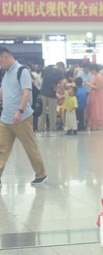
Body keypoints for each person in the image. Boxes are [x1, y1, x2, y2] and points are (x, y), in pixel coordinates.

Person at [0, 46, 47, 185]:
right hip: (5, 118)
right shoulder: (7, 73)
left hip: (21, 118)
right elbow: (3, 90)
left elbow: (27, 92)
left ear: (6, 56)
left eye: (0, 61)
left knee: (30, 147)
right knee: (2, 148)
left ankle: (41, 174)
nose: (0, 64)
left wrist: (20, 111)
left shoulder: (22, 71)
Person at [85, 64, 103, 130]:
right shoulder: (95, 76)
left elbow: (97, 87)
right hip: (93, 94)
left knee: (96, 109)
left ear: (94, 70)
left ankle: (96, 125)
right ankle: (93, 124)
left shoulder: (99, 77)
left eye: (91, 70)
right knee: (92, 109)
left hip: (97, 95)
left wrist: (89, 84)